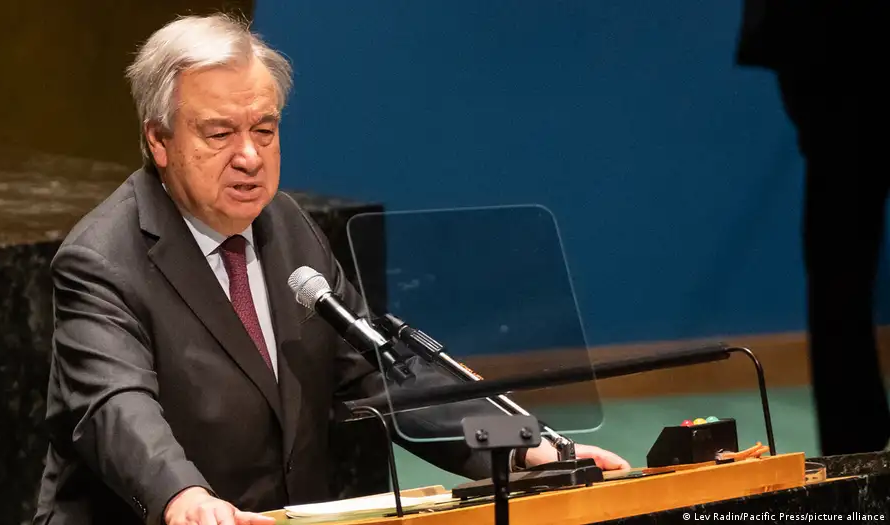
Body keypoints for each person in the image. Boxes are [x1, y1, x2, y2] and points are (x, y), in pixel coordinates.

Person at [33, 13, 628, 525]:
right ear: (159, 142)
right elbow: (114, 405)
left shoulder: (285, 226)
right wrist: (182, 493)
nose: (249, 156)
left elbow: (378, 372)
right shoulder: (102, 259)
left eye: (264, 130)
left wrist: (527, 449)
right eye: (219, 133)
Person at [736, 1, 889, 455]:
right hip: (830, 60)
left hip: (827, 61)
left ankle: (851, 445)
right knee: (838, 273)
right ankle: (852, 450)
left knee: (838, 271)